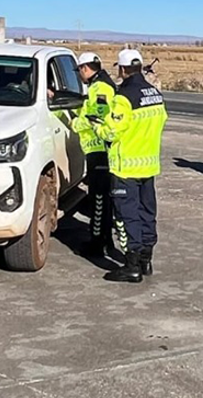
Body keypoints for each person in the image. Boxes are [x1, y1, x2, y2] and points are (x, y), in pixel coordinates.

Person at [92, 49, 168, 283]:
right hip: (148, 164)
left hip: (126, 166)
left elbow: (112, 130)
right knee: (147, 212)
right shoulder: (154, 93)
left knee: (127, 216)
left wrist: (97, 127)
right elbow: (161, 121)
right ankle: (146, 260)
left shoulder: (124, 97)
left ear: (122, 69)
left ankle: (131, 265)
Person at [70, 52, 117, 256]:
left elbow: (98, 115)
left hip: (100, 150)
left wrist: (75, 123)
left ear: (85, 69)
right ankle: (103, 241)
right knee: (101, 200)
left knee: (99, 199)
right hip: (98, 150)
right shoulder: (99, 85)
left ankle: (98, 243)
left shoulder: (101, 88)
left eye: (79, 70)